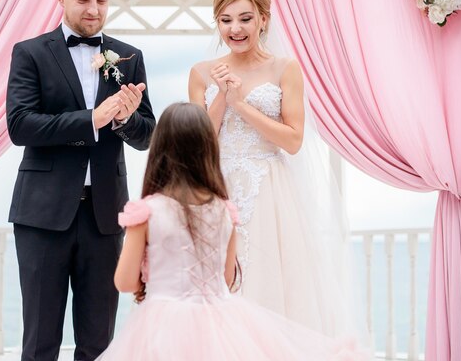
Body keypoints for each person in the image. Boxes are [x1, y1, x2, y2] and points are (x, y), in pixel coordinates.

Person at [96, 102, 368, 361]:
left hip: (161, 322)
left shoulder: (146, 212)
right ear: (207, 150)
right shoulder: (224, 211)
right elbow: (226, 278)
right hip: (219, 321)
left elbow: (125, 282)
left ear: (159, 150)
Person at [6, 0, 156, 361]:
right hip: (42, 216)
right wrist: (92, 118)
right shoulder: (30, 53)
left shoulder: (129, 56)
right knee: (40, 341)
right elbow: (20, 126)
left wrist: (124, 120)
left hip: (106, 218)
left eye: (102, 1)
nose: (94, 10)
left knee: (99, 343)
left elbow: (148, 136)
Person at [188, 0, 354, 336]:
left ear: (264, 18)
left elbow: (293, 140)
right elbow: (199, 143)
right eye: (226, 19)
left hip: (270, 192)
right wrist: (221, 95)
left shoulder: (285, 69)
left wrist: (241, 105)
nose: (235, 28)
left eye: (245, 18)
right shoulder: (202, 72)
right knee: (221, 288)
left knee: (271, 283)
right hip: (218, 191)